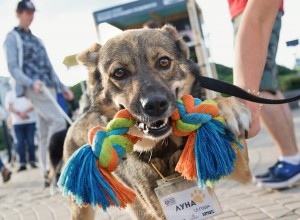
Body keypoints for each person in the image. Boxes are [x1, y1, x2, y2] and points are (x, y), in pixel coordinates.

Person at [228, 0, 300, 188]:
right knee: (271, 88)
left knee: (261, 87)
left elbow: (257, 20)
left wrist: (245, 97)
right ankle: (292, 159)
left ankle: (291, 159)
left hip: (250, 9)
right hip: (252, 10)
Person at [3, 0, 73, 183]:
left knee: (43, 132)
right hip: (34, 87)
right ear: (18, 13)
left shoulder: (37, 40)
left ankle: (45, 172)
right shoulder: (13, 38)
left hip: (49, 86)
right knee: (58, 121)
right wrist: (30, 82)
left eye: (32, 12)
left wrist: (62, 87)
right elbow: (12, 67)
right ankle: (56, 167)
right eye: (27, 12)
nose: (30, 15)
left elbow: (48, 66)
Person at [5, 87, 36, 172]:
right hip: (17, 122)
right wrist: (20, 114)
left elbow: (34, 103)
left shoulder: (29, 91)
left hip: (30, 119)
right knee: (20, 143)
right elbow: (8, 106)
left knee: (31, 142)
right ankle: (22, 163)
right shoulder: (10, 93)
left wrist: (24, 113)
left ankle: (32, 161)